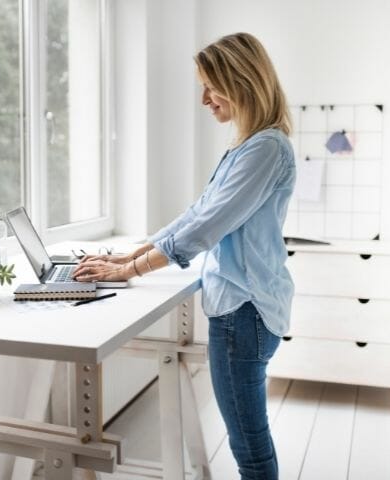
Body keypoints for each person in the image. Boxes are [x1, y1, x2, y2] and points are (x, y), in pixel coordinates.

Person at [73, 32, 295, 480]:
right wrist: (132, 255)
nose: (204, 100)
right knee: (247, 435)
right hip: (244, 309)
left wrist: (133, 269)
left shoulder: (266, 148)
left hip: (244, 311)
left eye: (211, 87)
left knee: (248, 443)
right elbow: (198, 212)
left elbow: (207, 228)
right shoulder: (248, 146)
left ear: (242, 81)